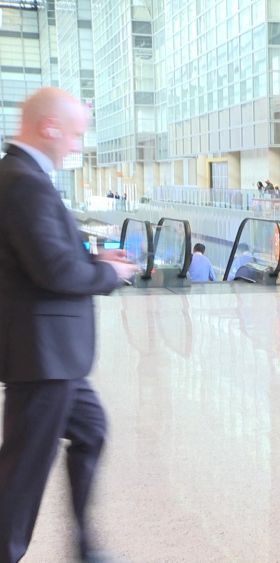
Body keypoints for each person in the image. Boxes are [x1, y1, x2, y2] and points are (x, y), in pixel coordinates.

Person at [0, 87, 139, 563]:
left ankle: (84, 545)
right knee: (22, 476)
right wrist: (110, 274)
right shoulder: (23, 181)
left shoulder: (23, 176)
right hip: (42, 358)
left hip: (55, 357)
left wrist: (96, 261)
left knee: (91, 430)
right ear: (49, 127)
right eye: (75, 135)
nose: (76, 146)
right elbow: (55, 272)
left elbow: (45, 256)